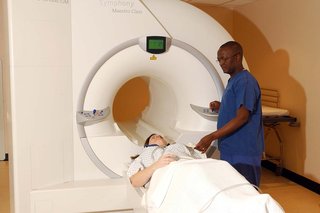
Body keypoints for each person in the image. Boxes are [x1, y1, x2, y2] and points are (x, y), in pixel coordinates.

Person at [195, 41, 264, 187]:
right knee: (233, 190)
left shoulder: (245, 81)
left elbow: (243, 117)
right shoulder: (233, 80)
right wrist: (221, 106)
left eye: (225, 58)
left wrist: (212, 136)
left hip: (243, 151)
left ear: (237, 57)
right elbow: (238, 108)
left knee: (246, 192)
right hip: (231, 147)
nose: (221, 63)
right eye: (219, 59)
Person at [127, 134, 204, 187]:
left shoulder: (175, 146)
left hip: (195, 168)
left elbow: (198, 156)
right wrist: (156, 165)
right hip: (173, 178)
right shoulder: (143, 156)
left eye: (160, 136)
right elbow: (134, 181)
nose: (157, 136)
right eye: (153, 137)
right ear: (147, 145)